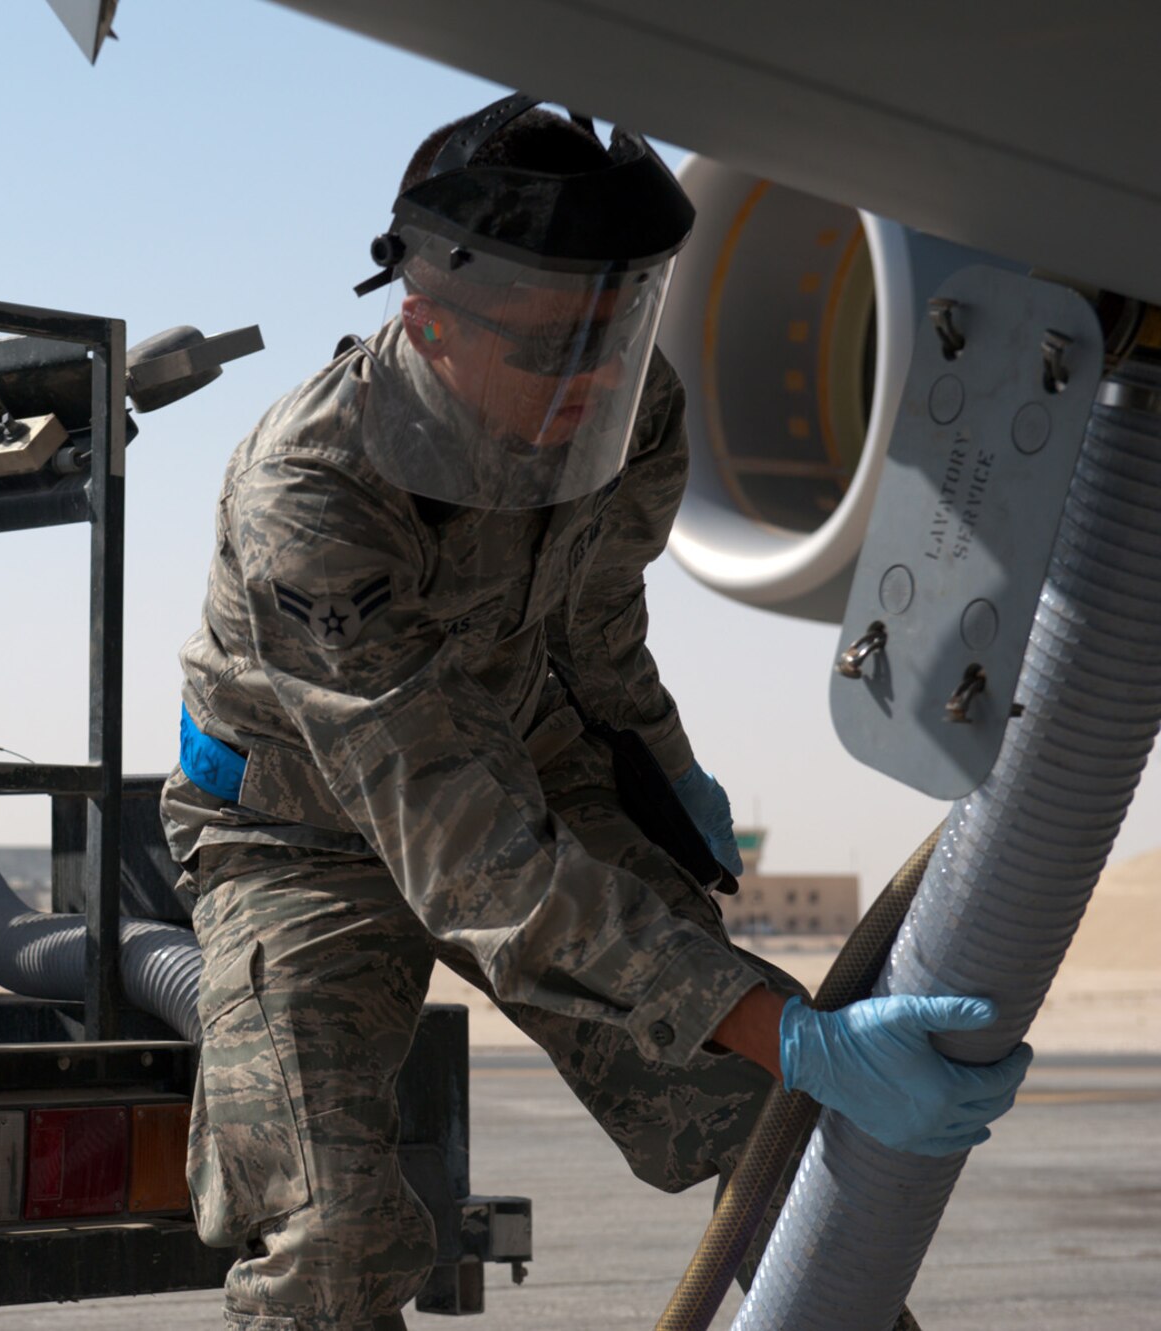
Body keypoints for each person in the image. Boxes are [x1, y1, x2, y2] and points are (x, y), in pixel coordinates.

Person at [161, 95, 1033, 1331]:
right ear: (426, 323)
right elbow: (463, 848)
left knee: (771, 1132)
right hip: (300, 839)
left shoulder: (630, 406)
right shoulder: (311, 495)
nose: (598, 377)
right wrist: (789, 1030)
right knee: (330, 1234)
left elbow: (594, 624)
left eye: (616, 333)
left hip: (528, 768)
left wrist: (661, 768)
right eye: (552, 348)